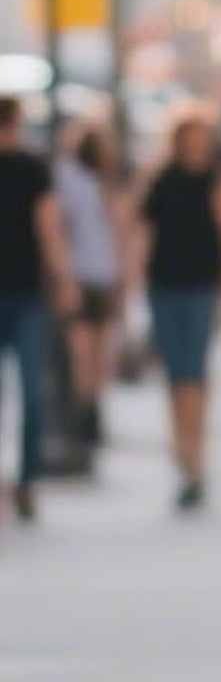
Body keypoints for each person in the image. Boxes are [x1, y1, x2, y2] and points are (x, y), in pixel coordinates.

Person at [137, 104, 221, 510]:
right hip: (163, 286)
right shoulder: (160, 180)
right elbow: (142, 233)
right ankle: (183, 456)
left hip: (201, 287)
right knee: (174, 374)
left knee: (194, 374)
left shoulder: (217, 179)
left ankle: (194, 461)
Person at [0, 96, 79, 520]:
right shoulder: (34, 168)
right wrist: (64, 281)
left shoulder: (33, 169)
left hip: (28, 294)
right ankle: (25, 481)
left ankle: (26, 481)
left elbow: (48, 227)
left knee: (32, 392)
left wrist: (63, 280)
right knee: (32, 391)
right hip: (28, 294)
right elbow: (50, 230)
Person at [55, 124, 123, 446]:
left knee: (87, 353)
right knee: (92, 353)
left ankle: (87, 414)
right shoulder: (96, 184)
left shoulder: (71, 180)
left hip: (87, 274)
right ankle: (90, 414)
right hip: (95, 275)